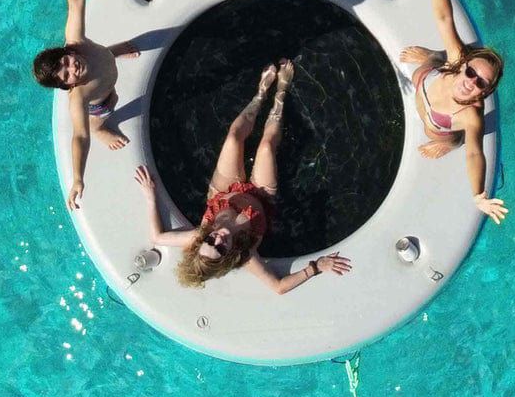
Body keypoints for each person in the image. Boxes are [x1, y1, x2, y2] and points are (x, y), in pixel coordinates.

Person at [133, 60, 352, 293]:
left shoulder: (199, 235)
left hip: (224, 192)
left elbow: (157, 237)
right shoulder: (245, 254)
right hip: (261, 198)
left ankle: (260, 94)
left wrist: (150, 196)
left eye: (210, 241)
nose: (217, 239)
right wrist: (316, 267)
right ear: (227, 256)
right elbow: (278, 287)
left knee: (233, 138)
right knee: (266, 147)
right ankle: (281, 91)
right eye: (219, 248)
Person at [32, 0, 139, 210]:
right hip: (101, 102)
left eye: (66, 61)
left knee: (105, 57)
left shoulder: (77, 43)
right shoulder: (79, 97)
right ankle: (102, 128)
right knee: (111, 103)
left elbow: (76, 0)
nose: (73, 68)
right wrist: (78, 178)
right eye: (66, 75)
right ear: (68, 86)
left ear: (66, 51)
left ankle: (115, 51)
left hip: (105, 60)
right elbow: (79, 136)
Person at [400, 0, 508, 224]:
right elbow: (444, 18)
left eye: (480, 83)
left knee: (451, 140)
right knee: (434, 60)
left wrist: (478, 195)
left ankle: (447, 143)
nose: (471, 82)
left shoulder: (470, 117)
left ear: (483, 93)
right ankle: (432, 54)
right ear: (464, 66)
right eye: (471, 72)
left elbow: (474, 152)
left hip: (441, 126)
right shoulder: (457, 60)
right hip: (429, 78)